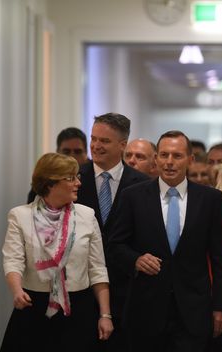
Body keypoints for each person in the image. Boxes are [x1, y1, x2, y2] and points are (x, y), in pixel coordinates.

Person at [108, 130, 222, 352]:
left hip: (194, 313)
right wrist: (135, 260)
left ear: (191, 160)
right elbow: (115, 245)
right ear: (156, 159)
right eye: (164, 155)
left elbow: (221, 258)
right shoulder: (132, 196)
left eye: (177, 156)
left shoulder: (210, 199)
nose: (169, 162)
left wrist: (221, 308)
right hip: (145, 311)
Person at [0, 153, 113, 352]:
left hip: (78, 309)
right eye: (70, 178)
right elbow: (13, 259)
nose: (78, 183)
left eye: (77, 177)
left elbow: (97, 268)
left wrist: (105, 315)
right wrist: (17, 291)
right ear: (50, 183)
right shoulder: (20, 216)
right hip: (34, 309)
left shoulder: (87, 215)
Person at [77, 112, 150, 351]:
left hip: (127, 294)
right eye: (93, 138)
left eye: (104, 141)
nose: (96, 146)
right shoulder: (74, 179)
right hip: (81, 292)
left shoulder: (143, 186)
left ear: (122, 145)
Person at [27, 127, 89, 203]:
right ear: (57, 152)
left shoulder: (95, 175)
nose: (72, 156)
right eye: (66, 152)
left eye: (77, 151)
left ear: (86, 153)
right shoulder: (46, 176)